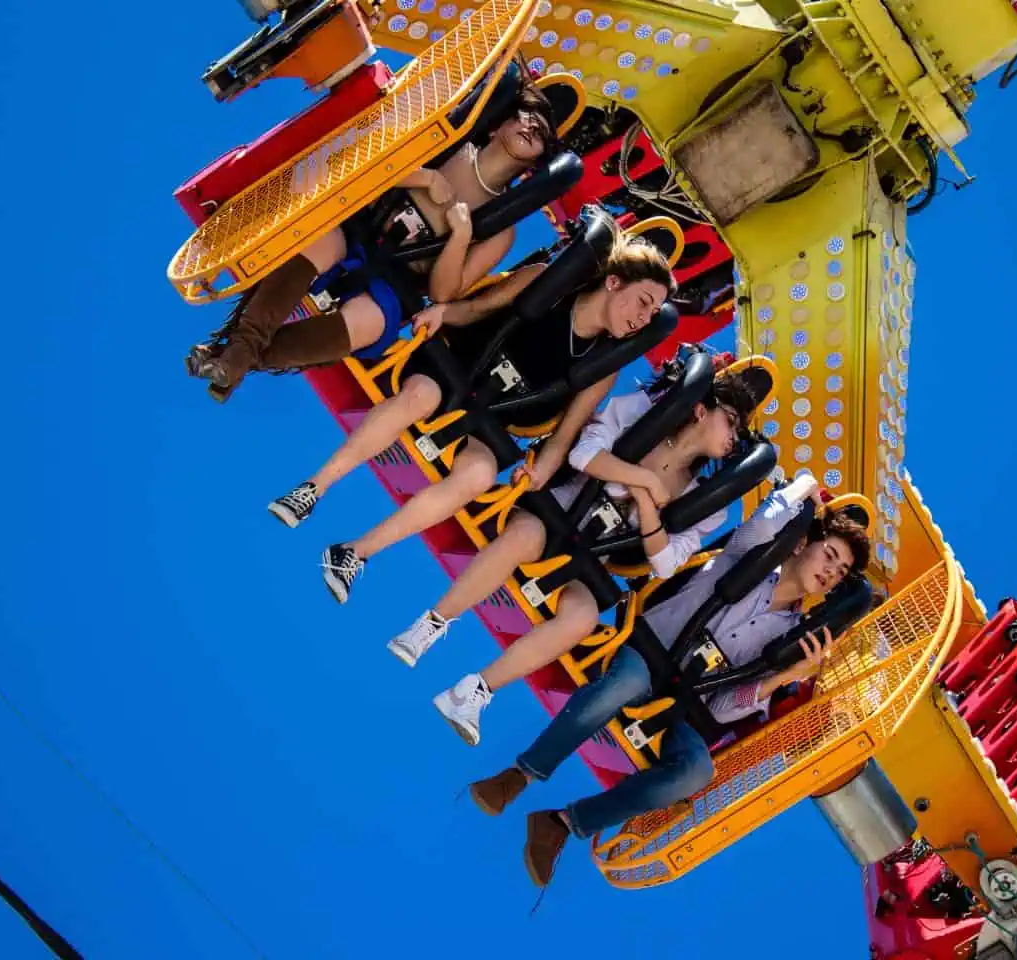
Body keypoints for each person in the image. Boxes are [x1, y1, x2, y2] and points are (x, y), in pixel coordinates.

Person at [461, 474, 871, 887]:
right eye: (830, 555)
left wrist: (785, 676)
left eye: (842, 571)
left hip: (686, 707)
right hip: (650, 655)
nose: (832, 571)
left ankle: (563, 824)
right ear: (803, 543)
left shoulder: (790, 637)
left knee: (697, 772)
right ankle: (521, 774)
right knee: (620, 688)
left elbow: (724, 707)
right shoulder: (751, 556)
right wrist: (805, 487)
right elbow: (768, 518)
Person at [264, 224, 676, 604]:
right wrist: (443, 313)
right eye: (643, 302)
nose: (643, 318)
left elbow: (565, 435)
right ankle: (313, 489)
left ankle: (354, 553)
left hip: (492, 418)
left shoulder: (604, 368)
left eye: (652, 314)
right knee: (420, 398)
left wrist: (540, 472)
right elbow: (479, 307)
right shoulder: (546, 282)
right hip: (455, 371)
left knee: (478, 476)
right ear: (613, 281)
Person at [387, 350, 762, 747]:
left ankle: (473, 692)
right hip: (562, 512)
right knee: (522, 539)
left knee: (581, 620)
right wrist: (643, 479)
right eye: (732, 422)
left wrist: (646, 497)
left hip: (593, 555)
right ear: (702, 410)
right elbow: (586, 454)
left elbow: (666, 562)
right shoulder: (643, 413)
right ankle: (431, 624)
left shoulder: (701, 500)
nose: (733, 437)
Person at [185, 76, 561, 401]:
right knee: (321, 240)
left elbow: (446, 293)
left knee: (369, 323)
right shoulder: (450, 140)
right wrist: (425, 178)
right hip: (360, 232)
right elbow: (370, 165)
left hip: (397, 282)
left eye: (541, 133)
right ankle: (237, 351)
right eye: (523, 117)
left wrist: (461, 236)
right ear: (497, 126)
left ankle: (233, 357)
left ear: (536, 164)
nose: (530, 127)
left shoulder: (502, 229)